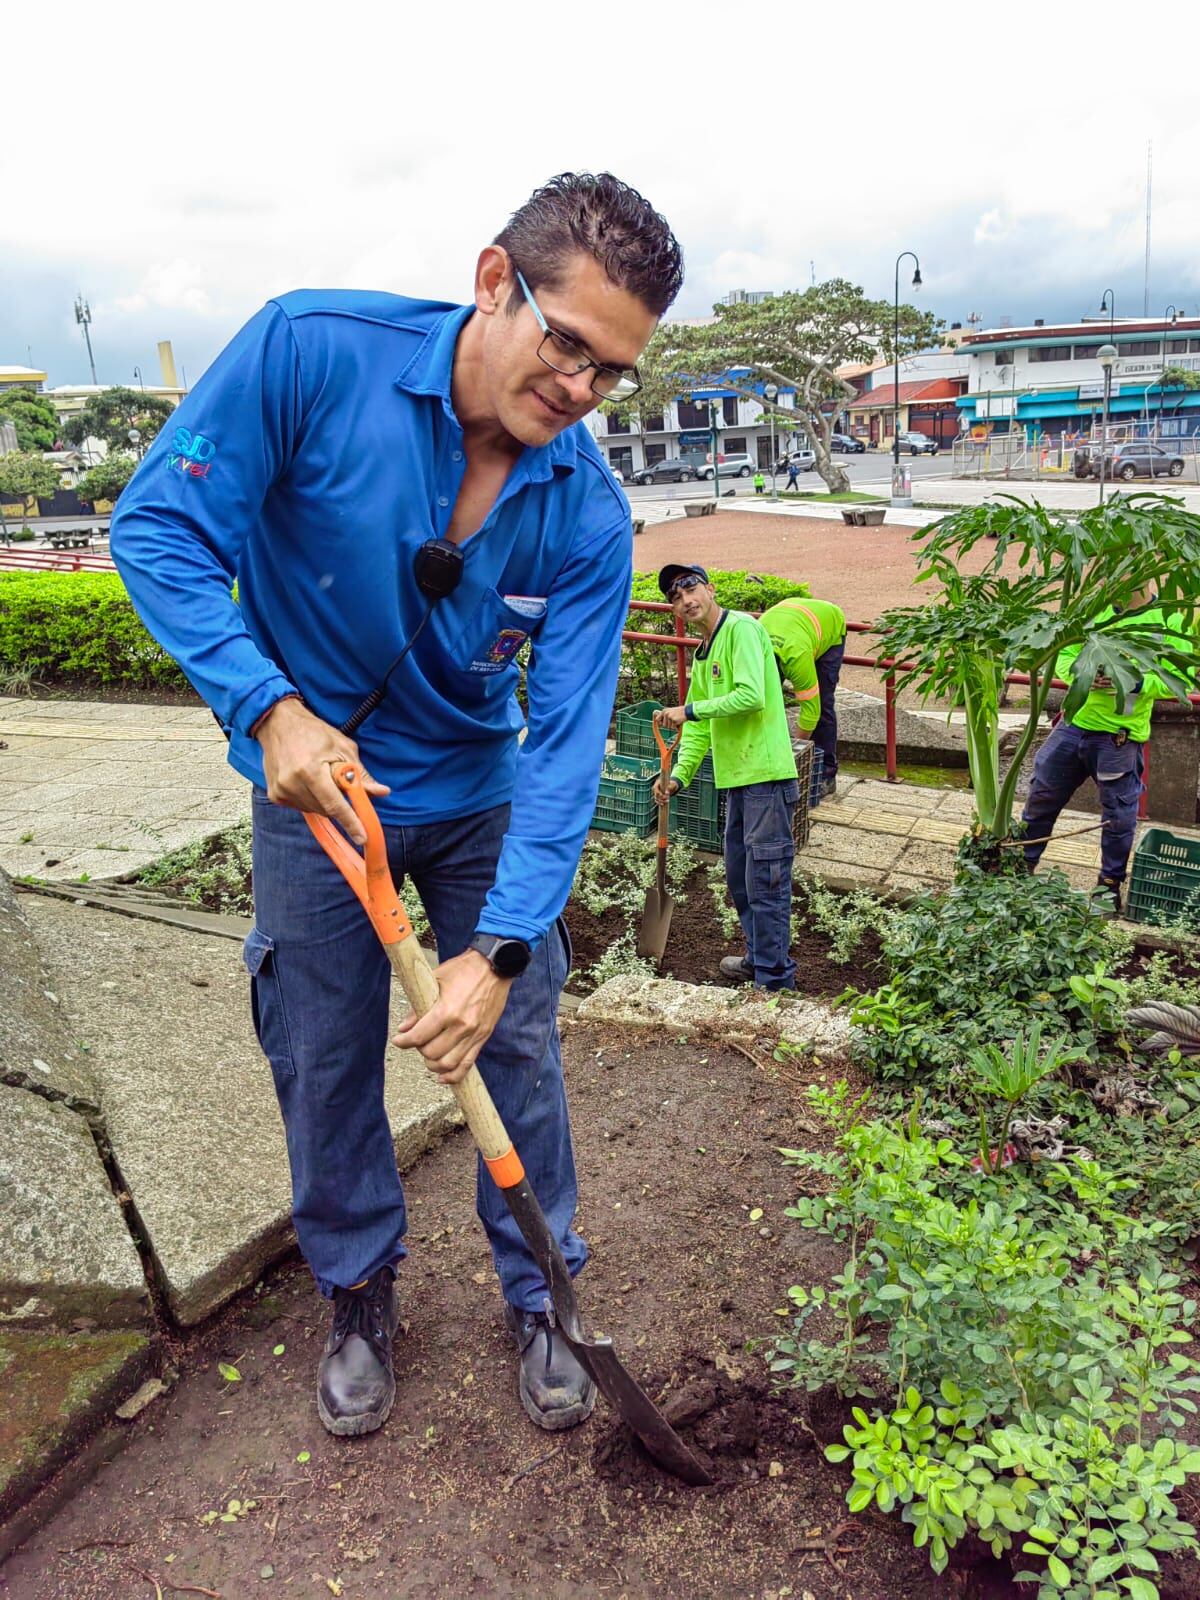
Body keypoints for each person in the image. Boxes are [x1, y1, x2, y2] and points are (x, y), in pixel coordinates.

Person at [111, 173, 683, 1440]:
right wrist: (269, 709)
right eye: (569, 345)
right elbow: (156, 527)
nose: (582, 392)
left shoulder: (584, 513)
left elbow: (567, 748)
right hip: (313, 789)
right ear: (494, 281)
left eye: (614, 373)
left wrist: (503, 948)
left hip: (475, 797)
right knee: (321, 1056)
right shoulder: (312, 353)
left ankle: (544, 1293)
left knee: (516, 1041)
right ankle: (360, 1290)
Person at [652, 564, 799, 990]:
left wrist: (689, 709)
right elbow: (697, 730)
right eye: (676, 599)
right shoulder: (704, 654)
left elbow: (751, 695)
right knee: (739, 876)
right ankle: (759, 958)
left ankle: (775, 980)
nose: (686, 601)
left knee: (766, 878)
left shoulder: (742, 631)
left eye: (691, 589)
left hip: (766, 776)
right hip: (736, 781)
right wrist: (678, 778)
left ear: (710, 589)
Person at [1022, 601, 1195, 914]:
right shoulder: (1089, 608)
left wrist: (1135, 682)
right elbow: (1063, 654)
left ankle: (1108, 889)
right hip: (1074, 725)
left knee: (1118, 817)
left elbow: (1180, 679)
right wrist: (1084, 673)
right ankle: (1020, 869)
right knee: (1041, 797)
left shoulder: (1170, 620)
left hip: (1119, 736)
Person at [760, 596, 847, 796]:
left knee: (823, 703)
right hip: (789, 618)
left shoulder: (795, 658)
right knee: (764, 701)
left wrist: (794, 755)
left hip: (828, 621)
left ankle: (826, 773)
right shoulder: (750, 647)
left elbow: (811, 711)